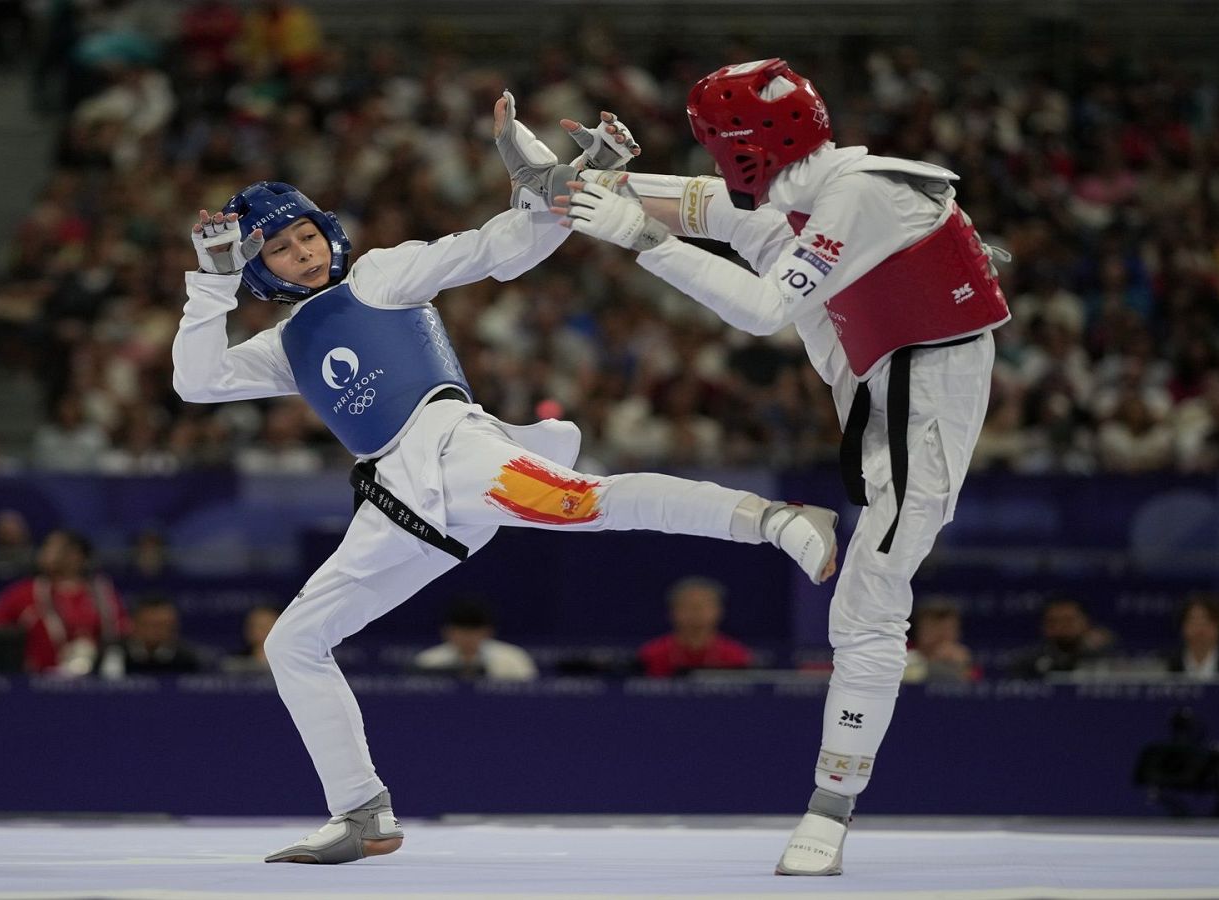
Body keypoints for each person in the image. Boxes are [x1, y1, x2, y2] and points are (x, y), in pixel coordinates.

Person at [171, 91, 840, 865]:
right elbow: (197, 380)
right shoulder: (285, 346)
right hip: (398, 505)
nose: (303, 253)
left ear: (329, 231)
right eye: (281, 252)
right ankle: (361, 811)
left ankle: (777, 519)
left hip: (458, 455)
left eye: (306, 235)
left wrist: (569, 184)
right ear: (261, 273)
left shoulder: (383, 277)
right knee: (293, 643)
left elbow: (500, 248)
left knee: (589, 504)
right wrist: (210, 284)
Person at [555, 59, 1007, 874]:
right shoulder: (812, 186)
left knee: (871, 595)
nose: (715, 157)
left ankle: (830, 809)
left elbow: (765, 311)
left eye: (714, 142)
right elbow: (724, 205)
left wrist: (637, 236)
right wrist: (577, 187)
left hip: (928, 386)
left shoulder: (855, 193)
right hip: (868, 350)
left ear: (745, 140)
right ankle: (588, 189)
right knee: (755, 224)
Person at [0, 529, 129, 675]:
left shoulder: (102, 592)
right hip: (39, 683)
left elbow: (120, 631)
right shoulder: (24, 592)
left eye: (51, 547)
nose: (43, 552)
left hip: (95, 681)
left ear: (75, 555)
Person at [637, 577, 753, 677]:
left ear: (719, 611)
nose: (696, 612)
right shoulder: (651, 654)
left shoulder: (735, 655)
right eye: (687, 606)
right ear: (672, 612)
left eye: (703, 606)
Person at [412, 598, 537, 681]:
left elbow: (530, 698)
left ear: (488, 631)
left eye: (474, 631)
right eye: (462, 630)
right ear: (447, 631)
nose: (468, 637)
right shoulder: (428, 662)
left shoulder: (513, 658)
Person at [1006, 595, 1114, 679]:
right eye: (1053, 621)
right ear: (1043, 626)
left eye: (1068, 621)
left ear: (1085, 623)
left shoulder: (1106, 660)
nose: (1060, 627)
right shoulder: (1025, 664)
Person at [1164, 593, 1219, 679]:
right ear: (1183, 626)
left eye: (1207, 622)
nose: (1200, 628)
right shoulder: (1168, 662)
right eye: (1193, 621)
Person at [900, 598, 976, 683]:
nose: (940, 636)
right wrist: (931, 662)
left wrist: (964, 666)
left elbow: (976, 681)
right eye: (932, 628)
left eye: (947, 629)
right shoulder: (900, 652)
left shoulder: (962, 658)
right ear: (917, 630)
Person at [122, 595, 202, 674]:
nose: (157, 631)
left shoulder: (190, 659)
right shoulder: (116, 653)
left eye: (164, 625)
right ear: (134, 624)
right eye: (151, 625)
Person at [222, 603, 281, 674]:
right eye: (257, 625)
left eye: (267, 625)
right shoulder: (233, 664)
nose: (263, 630)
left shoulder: (292, 664)